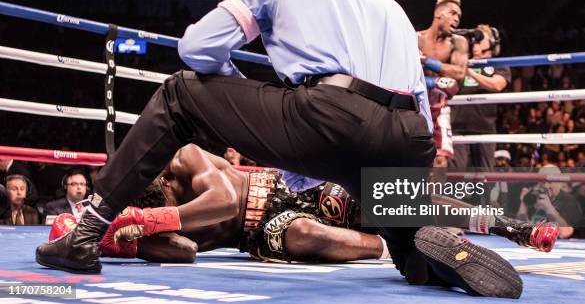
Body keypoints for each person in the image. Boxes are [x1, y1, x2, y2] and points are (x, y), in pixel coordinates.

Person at [37, 0, 520, 298]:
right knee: (403, 240)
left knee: (180, 93)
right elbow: (417, 100)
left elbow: (196, 49)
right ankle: (428, 254)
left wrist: (235, 99)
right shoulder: (390, 9)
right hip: (407, 136)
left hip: (328, 118)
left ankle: (85, 233)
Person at [49, 144, 557, 264]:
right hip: (264, 232)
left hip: (283, 188)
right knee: (305, 236)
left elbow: (225, 200)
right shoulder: (140, 215)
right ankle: (405, 243)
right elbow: (185, 250)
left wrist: (152, 219)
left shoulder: (181, 158)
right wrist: (131, 244)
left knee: (389, 195)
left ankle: (511, 226)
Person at [418, 0, 469, 168]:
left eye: (459, 16)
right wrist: (434, 81)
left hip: (440, 105)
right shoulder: (416, 38)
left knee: (440, 160)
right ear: (438, 14)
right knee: (412, 154)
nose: (456, 19)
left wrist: (426, 61)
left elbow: (459, 72)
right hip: (416, 102)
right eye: (453, 13)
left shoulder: (458, 42)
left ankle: (437, 195)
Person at [451, 25, 511, 170]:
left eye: (480, 40)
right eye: (474, 40)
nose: (475, 44)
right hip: (457, 126)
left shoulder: (498, 64)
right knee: (454, 174)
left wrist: (471, 73)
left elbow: (497, 85)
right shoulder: (463, 61)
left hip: (484, 128)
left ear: (491, 43)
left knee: (483, 176)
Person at [516, 165, 582, 239]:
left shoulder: (569, 201)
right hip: (534, 243)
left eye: (550, 182)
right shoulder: (534, 197)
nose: (546, 186)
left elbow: (565, 233)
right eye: (542, 182)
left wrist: (549, 208)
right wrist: (524, 202)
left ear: (559, 183)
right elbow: (520, 230)